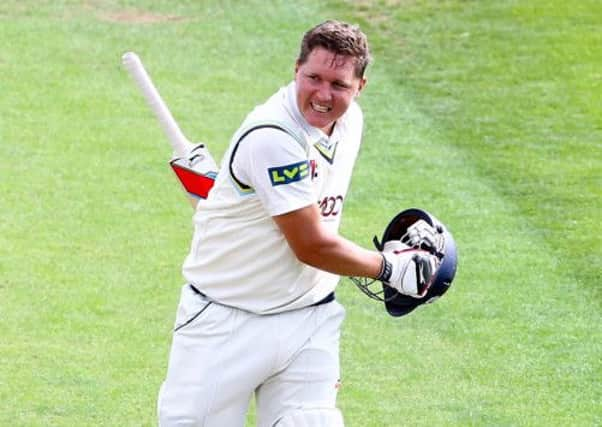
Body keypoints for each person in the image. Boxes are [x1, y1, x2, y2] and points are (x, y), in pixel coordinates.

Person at [157, 20, 439, 427]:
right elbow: (310, 245)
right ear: (295, 69)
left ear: (361, 86)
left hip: (308, 318)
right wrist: (389, 268)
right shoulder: (272, 135)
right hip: (224, 325)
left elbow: (297, 198)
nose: (323, 95)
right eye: (314, 78)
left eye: (339, 85)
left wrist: (227, 192)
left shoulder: (350, 123)